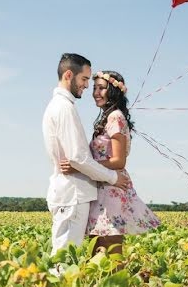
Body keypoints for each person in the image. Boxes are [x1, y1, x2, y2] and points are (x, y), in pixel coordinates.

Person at [60, 70, 160, 253]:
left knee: (110, 253)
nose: (95, 92)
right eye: (95, 88)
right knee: (97, 253)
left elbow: (118, 161)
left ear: (114, 91)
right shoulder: (107, 117)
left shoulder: (115, 117)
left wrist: (79, 167)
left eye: (101, 88)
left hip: (112, 189)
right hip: (100, 187)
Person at [42, 53, 131, 253]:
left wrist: (78, 166)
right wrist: (110, 176)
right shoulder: (64, 108)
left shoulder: (111, 117)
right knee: (68, 256)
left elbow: (80, 160)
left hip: (90, 191)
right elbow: (78, 158)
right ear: (68, 75)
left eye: (100, 87)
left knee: (100, 251)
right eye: (85, 80)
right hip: (74, 193)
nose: (87, 87)